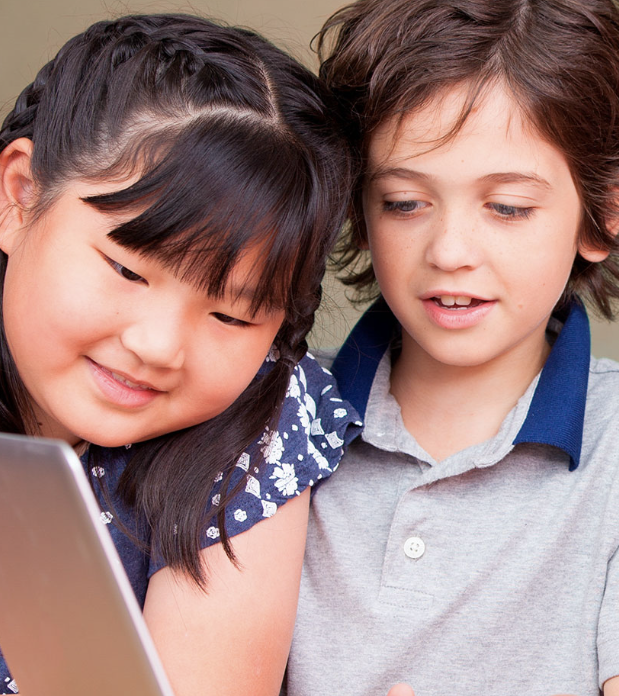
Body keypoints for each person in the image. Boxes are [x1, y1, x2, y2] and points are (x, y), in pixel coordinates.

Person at [284, 0, 619, 694]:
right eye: (403, 202)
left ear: (604, 213)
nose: (450, 251)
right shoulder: (285, 413)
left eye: (507, 208)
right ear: (358, 210)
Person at [0, 14, 359, 695]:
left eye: (230, 313)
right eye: (128, 271)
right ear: (20, 198)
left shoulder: (259, 427)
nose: (158, 347)